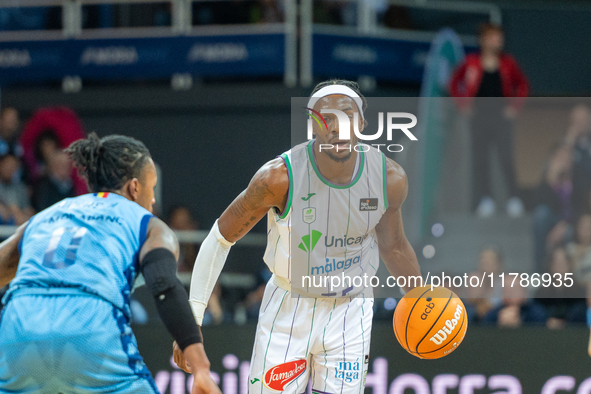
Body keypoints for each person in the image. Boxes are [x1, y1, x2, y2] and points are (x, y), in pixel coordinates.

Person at [175, 79, 421, 393]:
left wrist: (420, 300)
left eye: (346, 114)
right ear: (312, 125)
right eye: (326, 117)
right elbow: (220, 237)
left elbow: (394, 245)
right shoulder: (278, 177)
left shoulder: (388, 178)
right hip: (289, 305)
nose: (337, 126)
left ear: (362, 122)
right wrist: (192, 318)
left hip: (350, 309)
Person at [0, 133, 220, 394]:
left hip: (19, 326)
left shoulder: (47, 215)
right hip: (87, 326)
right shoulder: (148, 224)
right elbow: (163, 284)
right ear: (135, 187)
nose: (152, 201)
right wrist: (201, 366)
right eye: (152, 189)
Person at [449, 23, 528, 218]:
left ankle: (514, 199)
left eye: (500, 37)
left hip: (501, 116)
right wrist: (462, 105)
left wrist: (515, 108)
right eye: (494, 37)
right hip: (479, 117)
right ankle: (485, 199)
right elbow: (454, 82)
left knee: (505, 157)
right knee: (480, 159)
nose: (498, 41)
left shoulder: (508, 63)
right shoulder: (471, 62)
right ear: (483, 39)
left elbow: (522, 85)